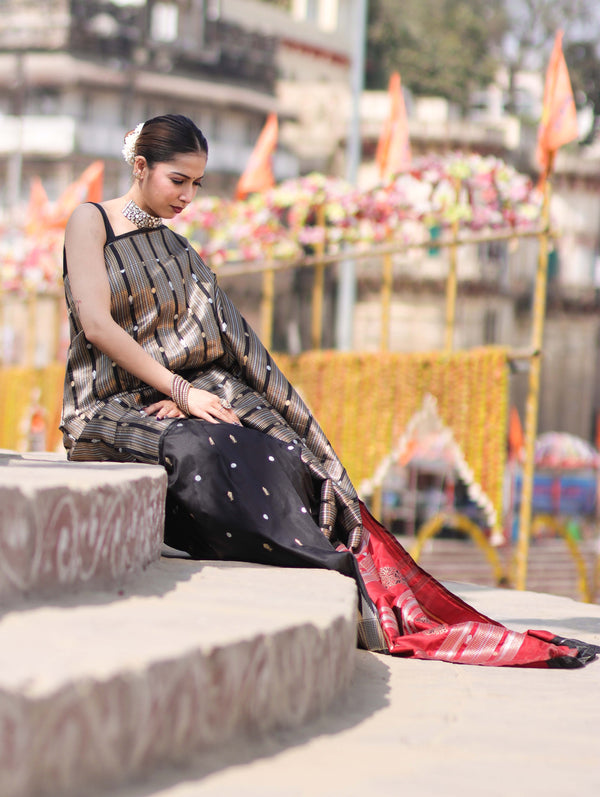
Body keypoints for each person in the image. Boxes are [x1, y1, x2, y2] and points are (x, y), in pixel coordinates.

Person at [61, 114, 598, 668]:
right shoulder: (91, 222)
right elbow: (98, 325)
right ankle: (321, 560)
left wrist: (190, 393)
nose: (189, 196)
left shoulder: (175, 246)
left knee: (271, 440)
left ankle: (334, 557)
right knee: (202, 451)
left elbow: (213, 339)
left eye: (198, 184)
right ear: (141, 166)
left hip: (179, 395)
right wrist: (182, 390)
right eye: (179, 181)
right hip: (107, 404)